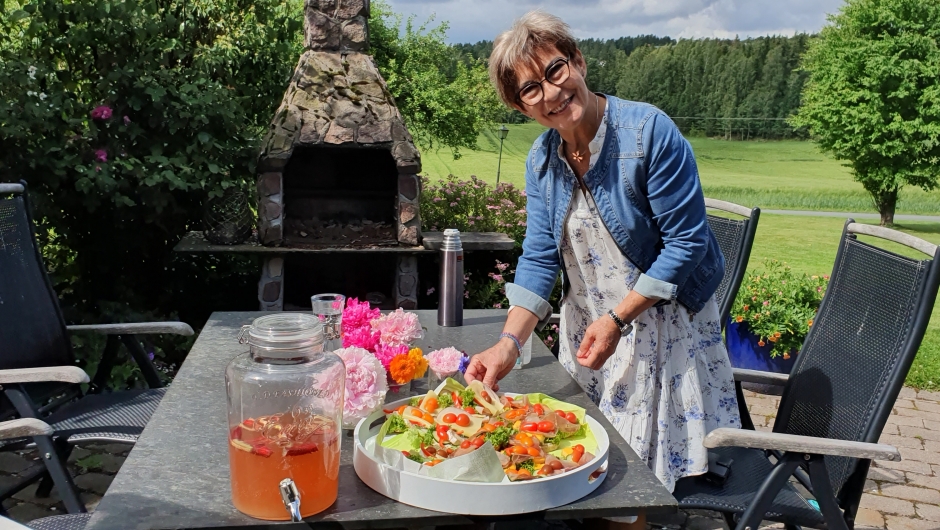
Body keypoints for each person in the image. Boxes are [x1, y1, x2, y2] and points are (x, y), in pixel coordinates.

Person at [464, 10, 741, 494]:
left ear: (579, 62)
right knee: (574, 467)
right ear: (520, 106)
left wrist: (618, 318)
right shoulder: (542, 158)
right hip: (589, 333)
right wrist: (509, 343)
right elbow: (538, 257)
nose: (550, 93)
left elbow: (687, 243)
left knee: (627, 487)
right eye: (530, 89)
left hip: (657, 327)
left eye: (554, 70)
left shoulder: (648, 131)